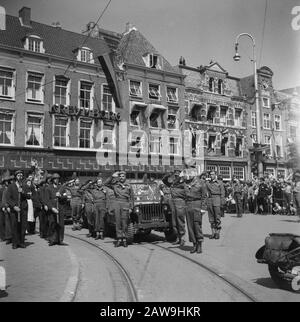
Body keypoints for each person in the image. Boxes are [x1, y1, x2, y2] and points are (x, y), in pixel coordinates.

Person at [107, 171, 133, 247]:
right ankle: (119, 239)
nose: (121, 177)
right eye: (120, 176)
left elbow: (131, 197)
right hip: (117, 203)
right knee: (118, 222)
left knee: (124, 222)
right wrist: (112, 176)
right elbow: (106, 184)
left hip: (125, 203)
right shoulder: (115, 185)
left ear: (125, 177)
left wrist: (131, 207)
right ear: (119, 177)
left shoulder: (129, 186)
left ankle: (124, 239)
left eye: (123, 176)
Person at [184, 167, 207, 254]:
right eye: (187, 173)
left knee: (197, 225)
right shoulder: (186, 183)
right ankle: (194, 245)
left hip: (197, 204)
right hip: (188, 205)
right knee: (190, 227)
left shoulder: (201, 183)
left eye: (190, 173)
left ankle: (199, 244)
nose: (188, 175)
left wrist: (203, 208)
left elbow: (204, 196)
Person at [162, 167, 186, 246]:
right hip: (172, 202)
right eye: (175, 173)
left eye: (178, 173)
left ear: (180, 173)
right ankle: (177, 237)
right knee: (174, 221)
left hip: (180, 202)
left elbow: (187, 192)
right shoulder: (172, 182)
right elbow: (164, 180)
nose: (176, 174)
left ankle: (182, 238)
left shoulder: (183, 182)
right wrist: (168, 175)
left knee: (180, 220)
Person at [6, 170, 27, 249]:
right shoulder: (11, 186)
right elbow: (8, 198)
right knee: (14, 226)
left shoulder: (24, 186)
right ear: (16, 177)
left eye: (21, 175)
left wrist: (23, 192)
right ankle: (15, 243)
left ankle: (21, 242)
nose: (20, 177)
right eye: (18, 175)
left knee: (22, 226)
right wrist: (14, 206)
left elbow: (28, 196)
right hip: (14, 210)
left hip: (22, 209)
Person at [44, 173, 66, 246]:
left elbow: (65, 197)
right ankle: (52, 239)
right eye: (55, 179)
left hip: (60, 208)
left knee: (61, 225)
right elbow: (47, 200)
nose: (57, 180)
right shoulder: (48, 188)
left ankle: (60, 239)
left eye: (58, 179)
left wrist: (60, 196)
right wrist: (52, 208)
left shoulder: (62, 188)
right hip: (52, 209)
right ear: (52, 180)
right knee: (52, 224)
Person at [206, 170, 225, 239]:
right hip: (210, 200)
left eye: (213, 174)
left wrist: (222, 203)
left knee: (217, 217)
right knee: (211, 218)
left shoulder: (220, 183)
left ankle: (217, 233)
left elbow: (222, 193)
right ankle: (213, 233)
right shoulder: (207, 183)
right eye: (210, 174)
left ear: (215, 175)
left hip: (217, 199)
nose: (211, 176)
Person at [91, 174, 109, 240]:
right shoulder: (93, 190)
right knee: (96, 219)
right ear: (96, 183)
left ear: (102, 183)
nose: (99, 183)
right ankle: (97, 233)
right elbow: (92, 199)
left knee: (102, 219)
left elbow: (107, 198)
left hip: (102, 204)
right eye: (98, 182)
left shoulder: (105, 190)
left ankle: (101, 233)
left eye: (100, 182)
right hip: (96, 204)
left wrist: (107, 207)